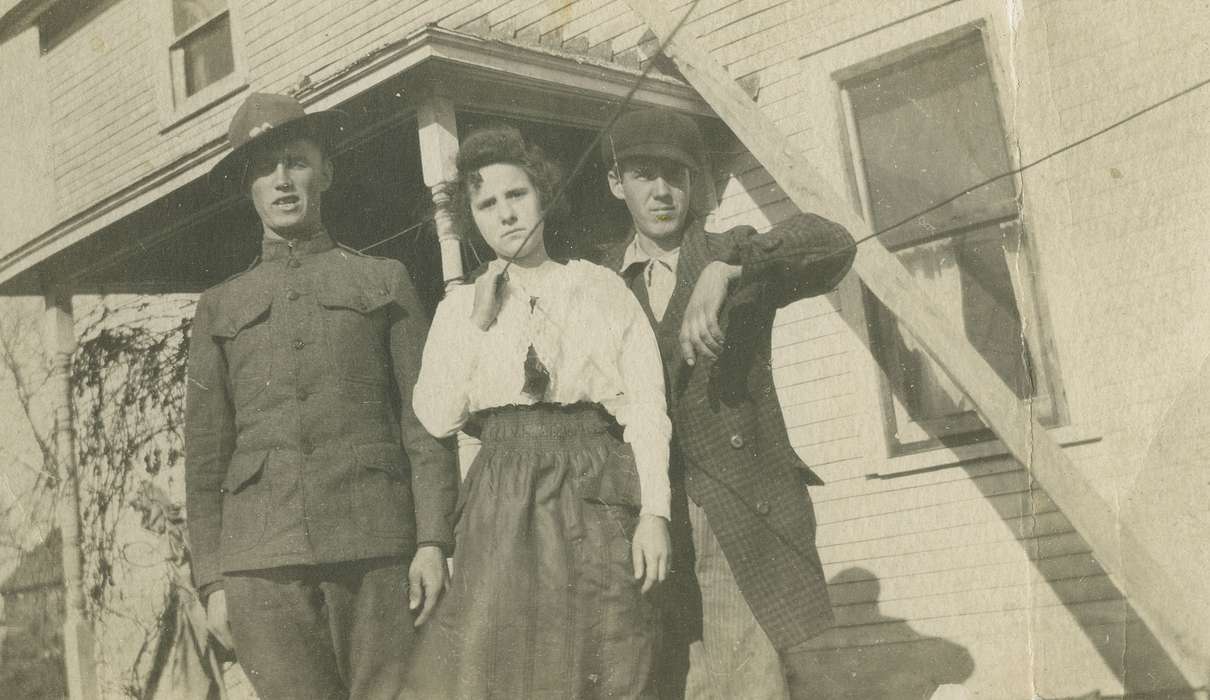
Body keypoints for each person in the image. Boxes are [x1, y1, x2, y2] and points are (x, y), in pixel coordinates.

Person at [184, 92, 458, 700]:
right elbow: (205, 460)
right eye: (263, 170)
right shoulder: (219, 307)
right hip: (262, 565)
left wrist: (433, 540)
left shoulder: (382, 281)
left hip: (378, 550)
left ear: (325, 173)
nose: (282, 181)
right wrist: (212, 581)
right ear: (248, 189)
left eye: (296, 162)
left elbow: (424, 424)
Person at [401, 126, 672, 699]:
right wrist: (479, 319)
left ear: (544, 194)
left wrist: (655, 514)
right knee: (506, 664)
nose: (505, 215)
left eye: (516, 196)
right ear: (472, 219)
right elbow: (435, 416)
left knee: (611, 649)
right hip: (502, 494)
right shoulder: (459, 310)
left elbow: (647, 408)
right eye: (486, 204)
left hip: (594, 487)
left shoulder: (599, 288)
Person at [597, 108, 856, 699]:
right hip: (645, 510)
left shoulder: (732, 250)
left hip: (735, 504)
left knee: (747, 676)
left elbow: (834, 244)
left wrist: (728, 271)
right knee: (673, 675)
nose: (662, 191)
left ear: (694, 183)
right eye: (643, 175)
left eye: (677, 175)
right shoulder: (600, 282)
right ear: (616, 184)